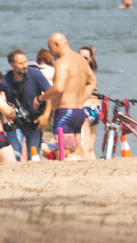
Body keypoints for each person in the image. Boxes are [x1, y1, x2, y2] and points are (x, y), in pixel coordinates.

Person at [40, 32, 96, 160]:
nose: (50, 52)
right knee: (77, 151)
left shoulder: (62, 61)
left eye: (50, 48)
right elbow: (92, 82)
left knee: (64, 154)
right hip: (79, 112)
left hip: (65, 113)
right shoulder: (80, 59)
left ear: (57, 44)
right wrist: (81, 99)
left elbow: (58, 88)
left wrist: (41, 98)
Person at [1, 48, 51, 160]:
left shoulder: (35, 75)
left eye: (25, 62)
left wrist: (46, 116)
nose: (25, 65)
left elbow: (50, 94)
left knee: (34, 156)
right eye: (20, 63)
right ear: (12, 65)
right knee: (15, 153)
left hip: (35, 121)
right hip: (15, 122)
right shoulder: (5, 81)